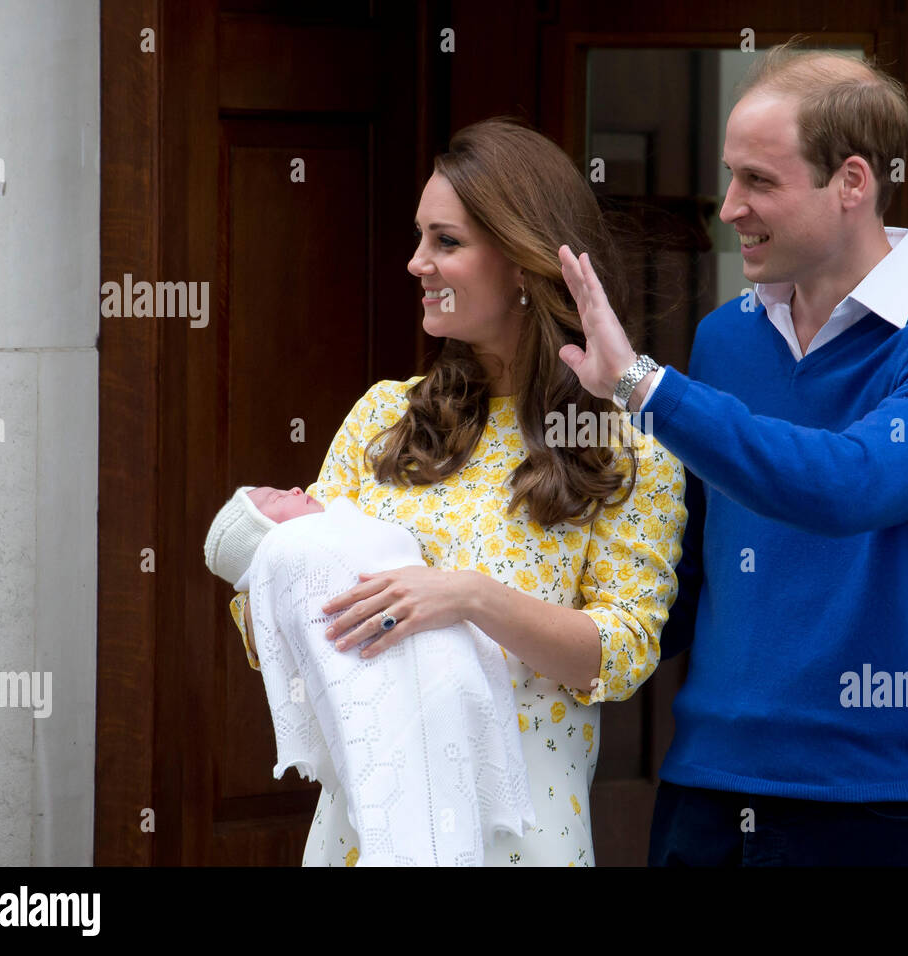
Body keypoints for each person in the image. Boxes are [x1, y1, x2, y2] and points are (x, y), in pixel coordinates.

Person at [556, 42, 908, 866]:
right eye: (730, 176)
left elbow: (849, 486)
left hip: (879, 809)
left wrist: (641, 385)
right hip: (703, 797)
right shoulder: (724, 339)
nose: (730, 206)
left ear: (853, 182)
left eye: (760, 181)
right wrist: (517, 631)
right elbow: (686, 573)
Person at [223, 118, 688, 867]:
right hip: (364, 831)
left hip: (527, 835)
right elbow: (278, 617)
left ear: (523, 260)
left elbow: (624, 654)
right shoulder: (386, 417)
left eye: (445, 242)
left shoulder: (628, 446)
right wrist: (269, 586)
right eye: (419, 239)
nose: (415, 264)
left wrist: (469, 598)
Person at [204, 485, 535, 866]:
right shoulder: (299, 543)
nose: (296, 488)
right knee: (404, 785)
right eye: (277, 499)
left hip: (532, 748)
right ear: (266, 535)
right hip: (384, 709)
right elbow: (270, 605)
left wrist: (468, 596)